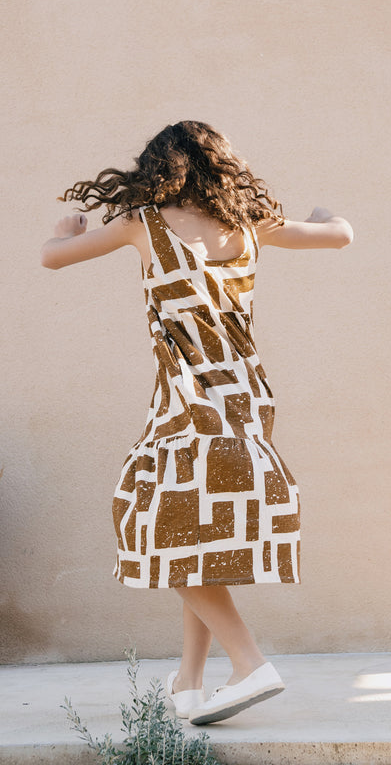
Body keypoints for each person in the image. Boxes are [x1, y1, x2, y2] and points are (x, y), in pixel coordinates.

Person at [40, 120, 353, 725]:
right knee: (195, 530)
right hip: (247, 397)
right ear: (221, 168)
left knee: (150, 521)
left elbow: (52, 259)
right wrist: (324, 211)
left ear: (159, 168)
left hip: (188, 400)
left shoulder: (143, 224)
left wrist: (64, 229)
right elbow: (339, 234)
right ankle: (188, 682)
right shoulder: (248, 224)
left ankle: (250, 662)